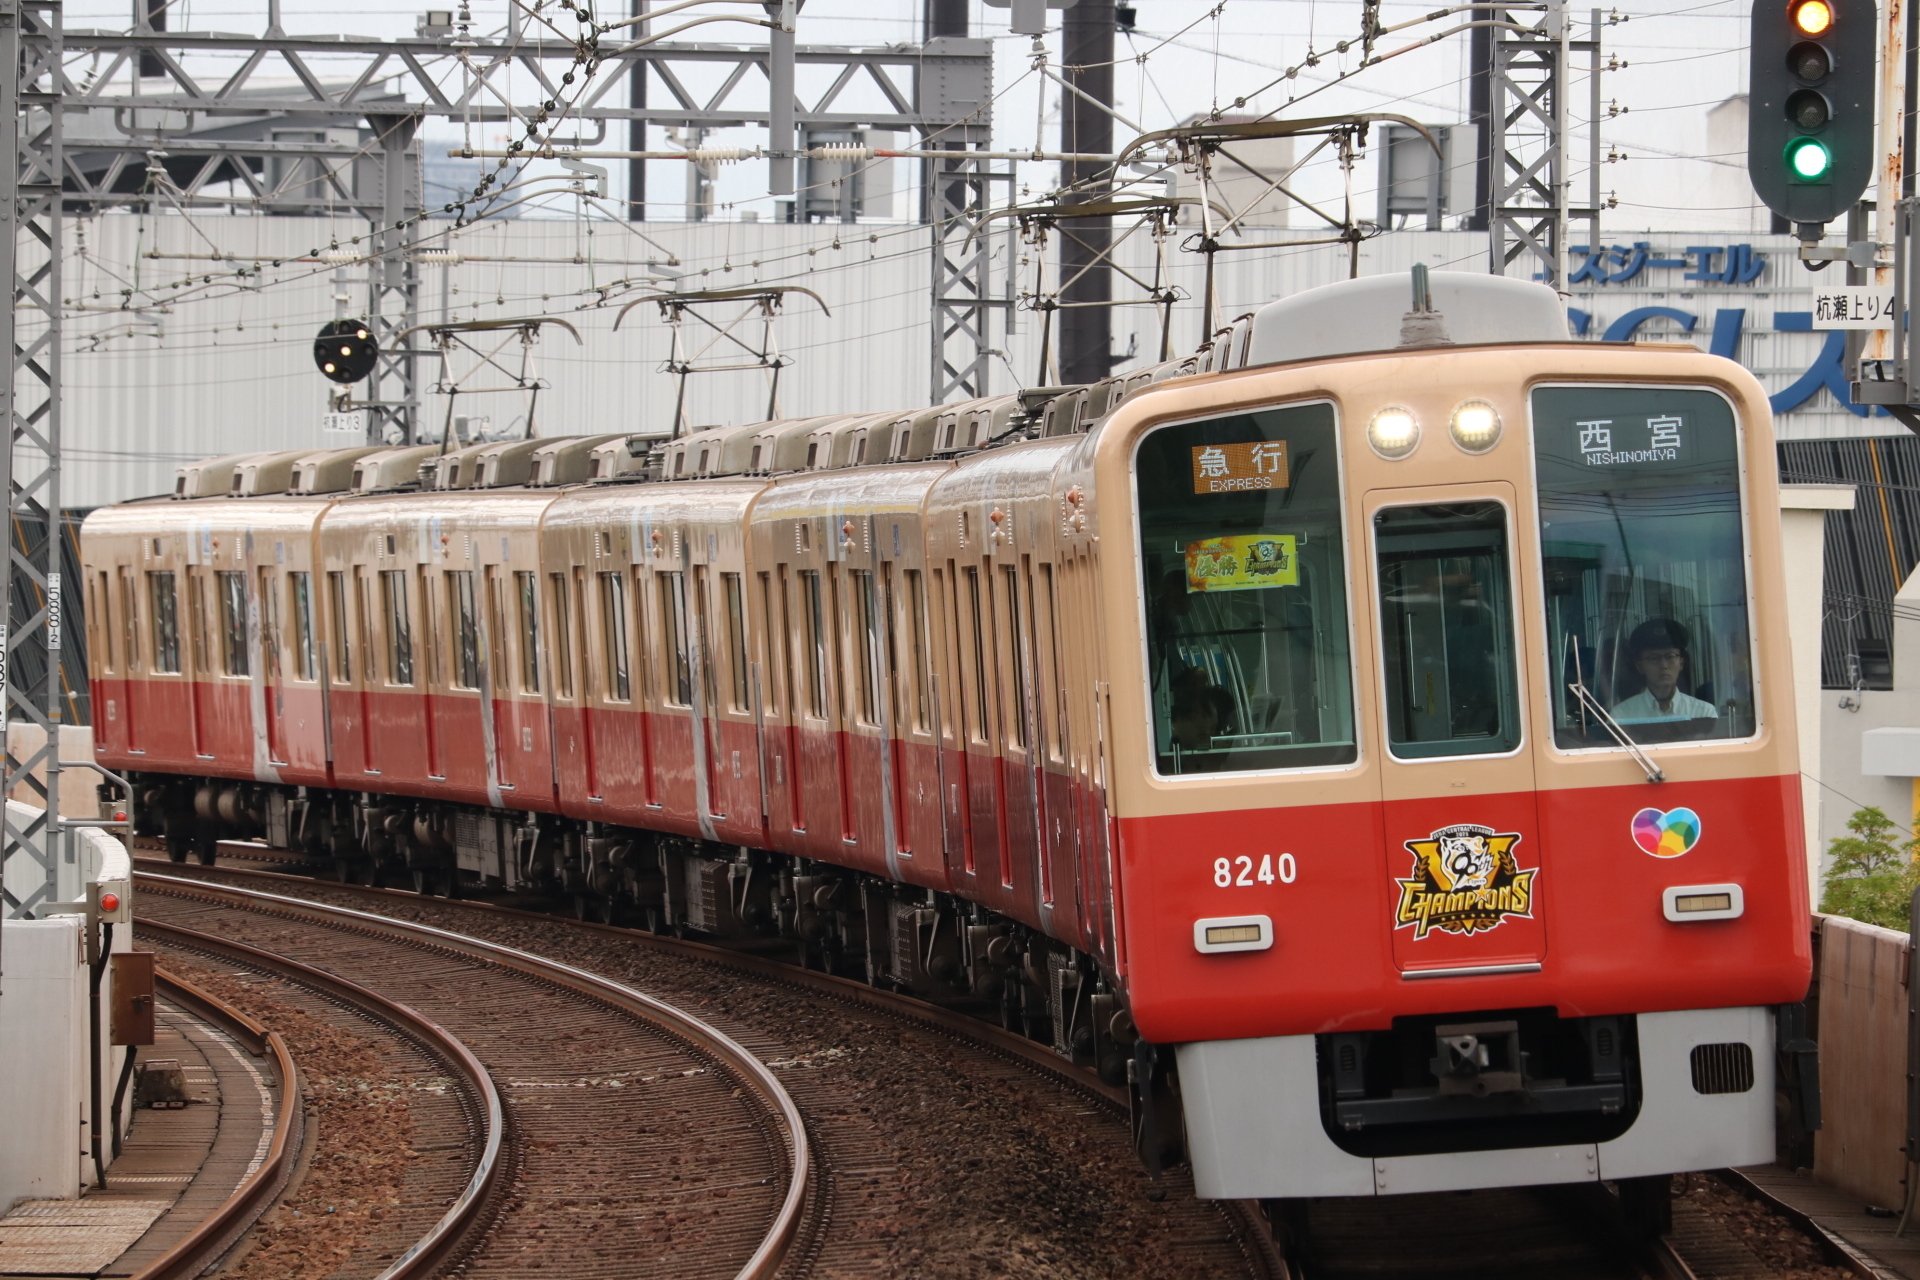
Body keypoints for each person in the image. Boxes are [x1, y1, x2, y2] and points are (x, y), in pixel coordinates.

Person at [1611, 617, 1716, 724]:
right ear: (1640, 666)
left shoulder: (1703, 713)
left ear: (1681, 663)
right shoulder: (1621, 716)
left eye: (1670, 656)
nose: (1663, 665)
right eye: (1653, 658)